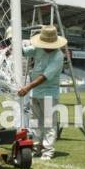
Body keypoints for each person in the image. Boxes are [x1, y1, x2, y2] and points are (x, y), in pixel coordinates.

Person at [16, 25, 67, 161]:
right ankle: (36, 148)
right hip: (35, 93)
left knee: (49, 123)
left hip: (49, 93)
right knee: (35, 122)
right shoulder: (38, 49)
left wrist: (27, 87)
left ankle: (48, 151)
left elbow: (45, 76)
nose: (45, 47)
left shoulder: (58, 56)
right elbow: (24, 52)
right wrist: (15, 40)